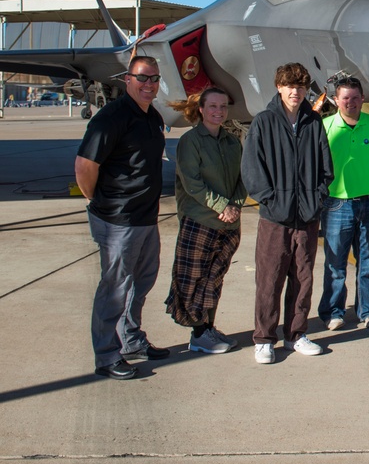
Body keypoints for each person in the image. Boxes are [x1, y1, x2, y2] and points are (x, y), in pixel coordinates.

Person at [75, 56, 168, 380]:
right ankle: (106, 355)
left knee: (141, 282)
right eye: (142, 78)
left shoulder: (152, 117)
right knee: (114, 288)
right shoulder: (111, 118)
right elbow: (85, 166)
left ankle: (130, 341)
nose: (149, 84)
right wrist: (98, 200)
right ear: (127, 79)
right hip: (117, 220)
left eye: (154, 78)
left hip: (145, 218)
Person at [242, 63, 333, 364]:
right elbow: (252, 170)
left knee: (303, 278)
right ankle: (264, 338)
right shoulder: (264, 122)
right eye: (289, 85)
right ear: (278, 87)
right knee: (270, 278)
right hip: (275, 218)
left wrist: (316, 197)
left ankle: (296, 334)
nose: (295, 91)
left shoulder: (313, 123)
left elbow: (325, 169)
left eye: (301, 86)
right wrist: (271, 200)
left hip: (306, 216)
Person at [165, 87, 247, 354]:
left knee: (215, 279)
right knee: (194, 279)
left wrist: (235, 205)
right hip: (200, 221)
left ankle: (208, 328)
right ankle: (198, 333)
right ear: (201, 109)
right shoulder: (191, 141)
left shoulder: (232, 142)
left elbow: (242, 179)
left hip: (228, 223)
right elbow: (192, 184)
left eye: (223, 107)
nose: (218, 111)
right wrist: (223, 206)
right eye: (213, 106)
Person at [318, 76, 369, 330]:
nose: (350, 102)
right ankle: (334, 312)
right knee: (335, 264)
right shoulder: (325, 127)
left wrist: (365, 178)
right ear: (336, 100)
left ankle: (367, 310)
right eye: (345, 98)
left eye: (355, 97)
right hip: (337, 204)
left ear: (363, 99)